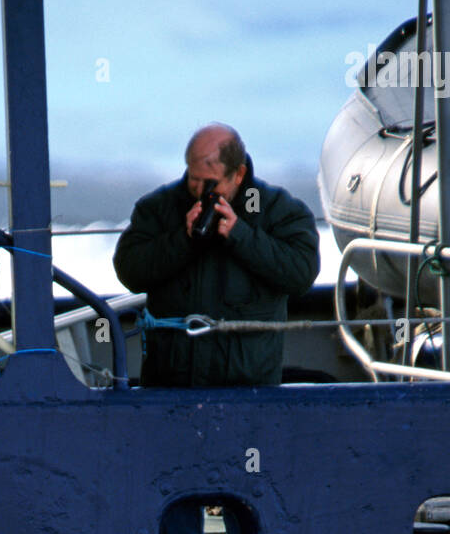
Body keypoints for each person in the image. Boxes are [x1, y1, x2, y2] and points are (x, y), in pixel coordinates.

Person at [113, 123, 320, 388]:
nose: (200, 191)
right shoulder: (157, 208)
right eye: (193, 178)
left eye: (211, 183)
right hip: (169, 390)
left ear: (238, 174)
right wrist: (182, 240)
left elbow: (301, 275)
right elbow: (129, 271)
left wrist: (242, 237)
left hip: (249, 391)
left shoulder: (280, 210)